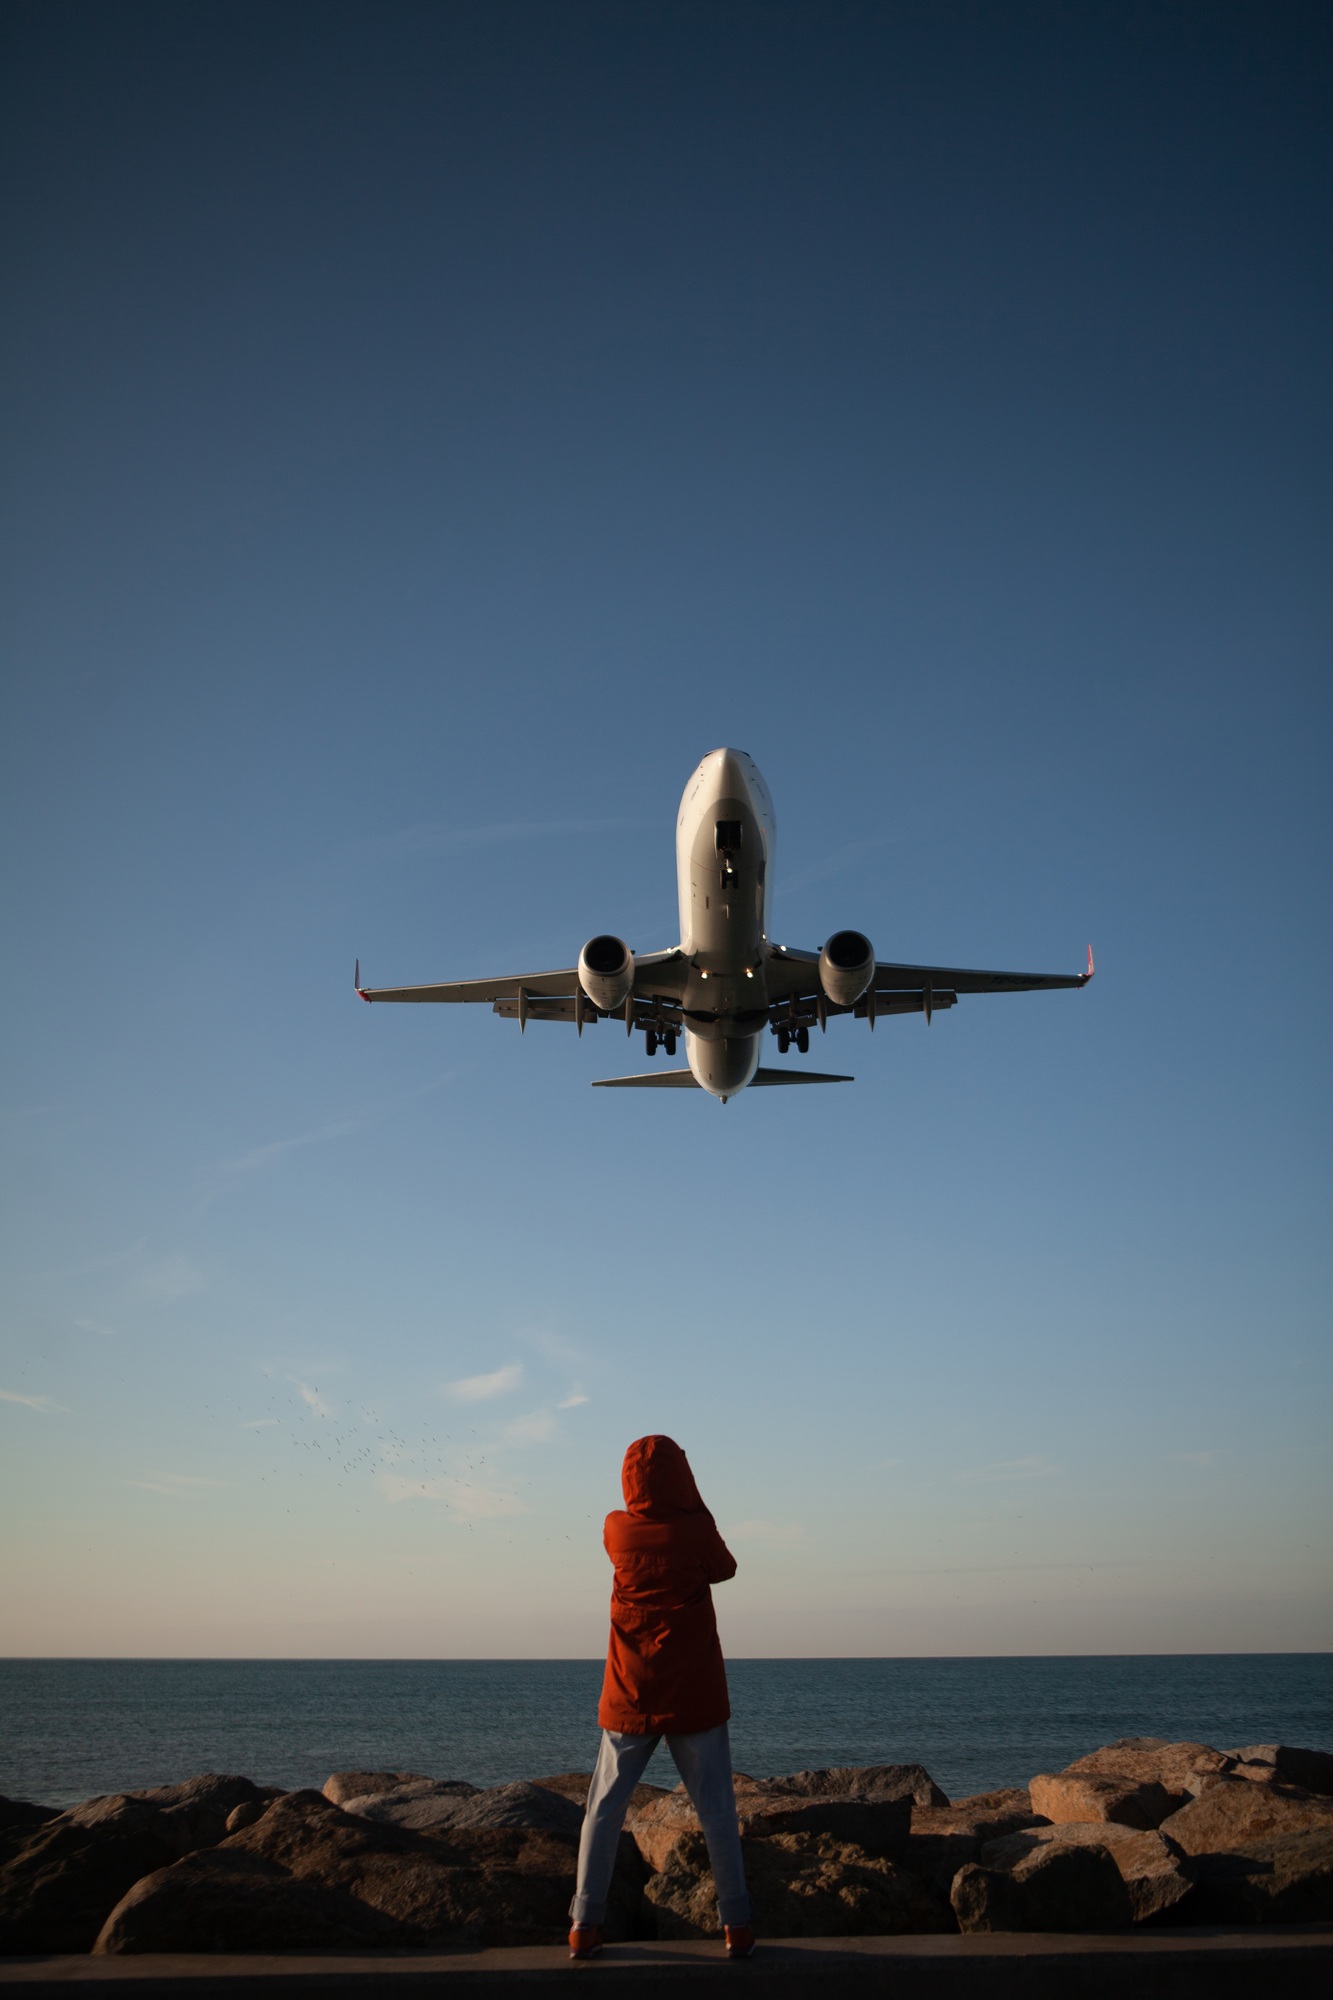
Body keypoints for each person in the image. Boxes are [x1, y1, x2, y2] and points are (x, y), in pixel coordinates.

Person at [568, 1433, 754, 1961]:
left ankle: (584, 1922)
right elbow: (727, 1568)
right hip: (694, 1694)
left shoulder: (616, 1529)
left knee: (603, 1808)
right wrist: (694, 1503)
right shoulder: (696, 1531)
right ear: (682, 1477)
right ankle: (736, 1923)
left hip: (632, 1691)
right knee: (717, 1810)